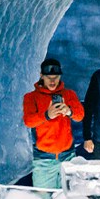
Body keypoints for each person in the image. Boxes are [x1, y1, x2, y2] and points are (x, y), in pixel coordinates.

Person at [22, 56, 83, 188]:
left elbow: (80, 116)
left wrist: (69, 111)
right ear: (41, 76)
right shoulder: (31, 97)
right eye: (49, 77)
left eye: (55, 76)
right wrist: (46, 115)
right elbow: (28, 121)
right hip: (44, 161)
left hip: (68, 158)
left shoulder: (69, 94)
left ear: (60, 77)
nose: (52, 80)